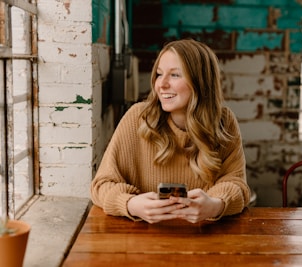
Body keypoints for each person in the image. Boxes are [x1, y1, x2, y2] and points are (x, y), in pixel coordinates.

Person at [91, 39, 250, 224]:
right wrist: (131, 204)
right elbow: (101, 185)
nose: (162, 84)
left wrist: (215, 205)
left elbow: (237, 185)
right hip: (142, 239)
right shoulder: (137, 118)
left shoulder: (224, 121)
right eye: (159, 74)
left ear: (200, 82)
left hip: (203, 239)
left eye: (174, 75)